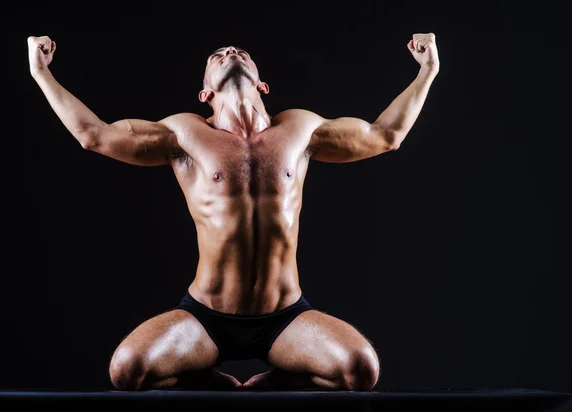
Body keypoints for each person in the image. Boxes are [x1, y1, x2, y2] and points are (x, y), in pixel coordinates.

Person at [27, 33, 439, 391]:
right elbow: (94, 135)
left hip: (285, 316)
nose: (229, 51)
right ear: (204, 93)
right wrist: (41, 73)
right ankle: (207, 377)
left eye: (238, 50)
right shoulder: (185, 133)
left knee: (361, 369)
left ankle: (278, 379)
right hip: (207, 316)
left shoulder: (300, 129)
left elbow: (386, 135)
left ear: (262, 84)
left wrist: (427, 71)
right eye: (217, 54)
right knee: (127, 370)